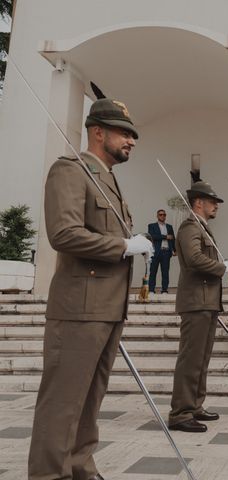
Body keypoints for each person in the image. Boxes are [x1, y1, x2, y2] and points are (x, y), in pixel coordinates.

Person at [28, 99, 153, 480]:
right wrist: (122, 247)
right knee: (63, 400)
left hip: (108, 307)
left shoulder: (107, 179)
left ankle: (80, 466)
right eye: (124, 133)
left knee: (89, 398)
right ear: (98, 131)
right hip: (79, 307)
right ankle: (49, 474)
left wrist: (129, 241)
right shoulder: (70, 171)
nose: (131, 141)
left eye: (132, 135)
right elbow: (63, 234)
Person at [168, 181, 228, 433]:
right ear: (199, 202)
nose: (216, 205)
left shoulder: (202, 227)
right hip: (196, 301)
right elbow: (195, 259)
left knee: (201, 358)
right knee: (190, 358)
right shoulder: (190, 227)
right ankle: (180, 413)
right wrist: (222, 267)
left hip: (206, 301)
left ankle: (195, 405)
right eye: (212, 201)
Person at [147, 209, 176, 293]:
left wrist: (174, 250)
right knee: (153, 271)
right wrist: (165, 237)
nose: (162, 216)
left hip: (166, 252)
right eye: (160, 214)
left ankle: (164, 290)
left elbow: (172, 238)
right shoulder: (152, 226)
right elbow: (152, 236)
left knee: (165, 272)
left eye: (164, 215)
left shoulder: (169, 227)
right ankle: (151, 290)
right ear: (157, 216)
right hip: (156, 252)